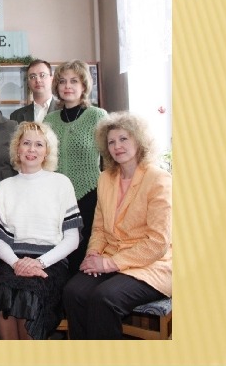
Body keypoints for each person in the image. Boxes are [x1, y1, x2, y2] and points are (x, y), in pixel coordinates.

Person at [63, 112, 172, 339]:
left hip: (150, 264)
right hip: (110, 256)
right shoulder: (105, 178)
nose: (117, 146)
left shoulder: (159, 179)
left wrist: (108, 263)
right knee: (73, 292)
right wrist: (93, 254)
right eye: (111, 142)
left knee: (104, 298)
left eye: (123, 139)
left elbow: (158, 243)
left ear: (139, 141)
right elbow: (99, 228)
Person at [0, 122, 82, 340]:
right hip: (12, 260)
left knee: (28, 295)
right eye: (26, 143)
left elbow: (72, 238)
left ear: (47, 151)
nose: (32, 149)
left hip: (51, 262)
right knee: (2, 291)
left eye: (39, 144)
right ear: (17, 148)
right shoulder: (4, 187)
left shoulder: (61, 183)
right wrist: (16, 263)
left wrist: (40, 263)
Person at [44, 60, 108, 275]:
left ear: (84, 86)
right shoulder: (50, 119)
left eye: (74, 81)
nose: (67, 86)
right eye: (62, 81)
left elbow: (109, 159)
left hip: (90, 195)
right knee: (60, 250)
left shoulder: (97, 116)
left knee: (85, 249)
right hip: (56, 197)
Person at [10, 59, 55, 124]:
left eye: (42, 75)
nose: (38, 80)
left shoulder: (64, 111)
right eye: (33, 77)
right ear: (28, 83)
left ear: (52, 79)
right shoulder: (16, 116)